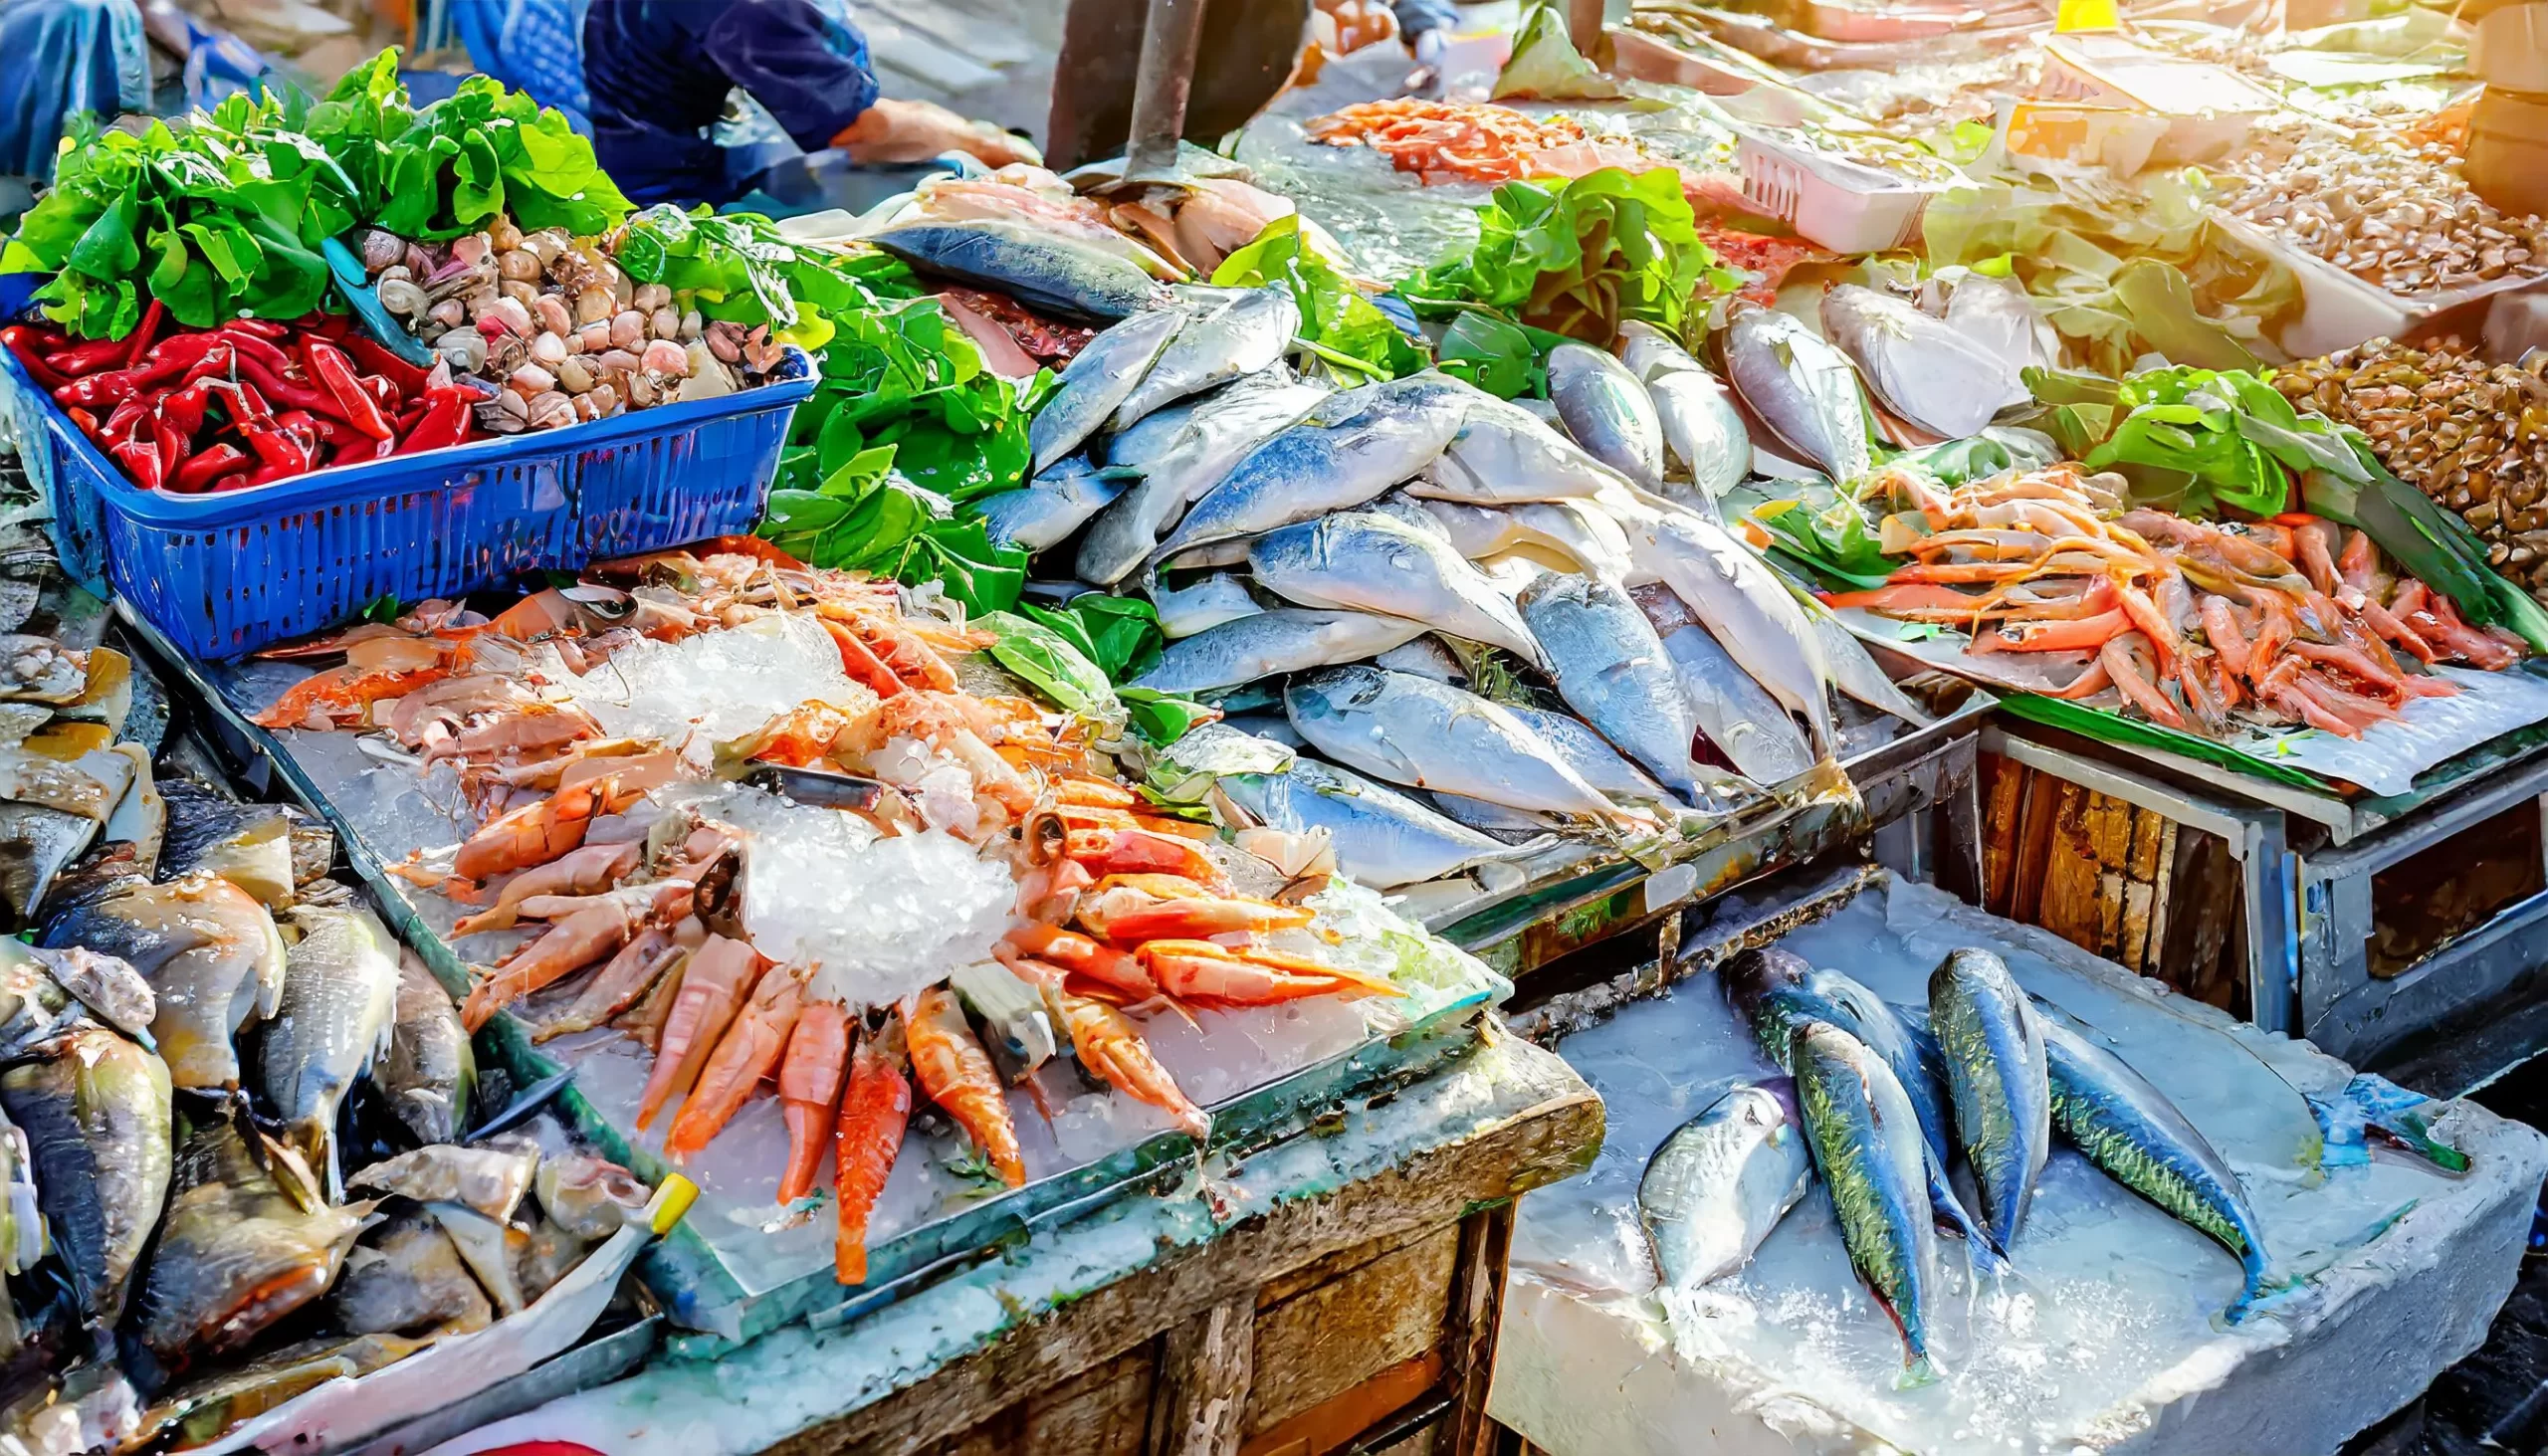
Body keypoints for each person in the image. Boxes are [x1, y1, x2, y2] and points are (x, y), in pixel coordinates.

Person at [580, 0, 1035, 207]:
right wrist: (1000, 147)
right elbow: (861, 128)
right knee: (941, 184)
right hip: (670, 186)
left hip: (709, 129)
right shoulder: (748, 10)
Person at [1045, 0, 1461, 171]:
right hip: (1124, 54)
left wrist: (1422, 13)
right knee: (1086, 179)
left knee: (1199, 185)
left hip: (1246, 60)